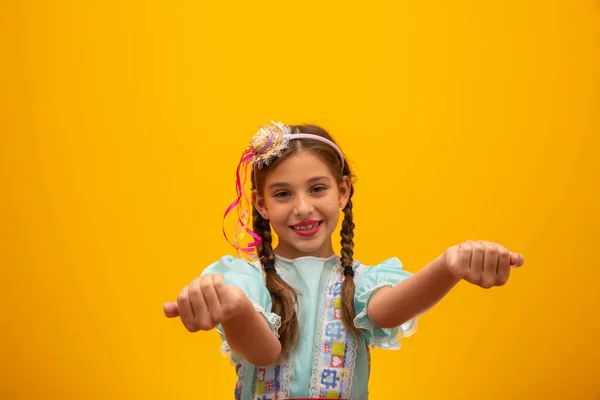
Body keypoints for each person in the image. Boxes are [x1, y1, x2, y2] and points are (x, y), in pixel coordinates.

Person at [162, 121, 525, 400]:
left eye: (317, 188)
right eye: (283, 194)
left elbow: (387, 312)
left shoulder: (361, 282)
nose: (303, 208)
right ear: (261, 204)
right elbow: (263, 352)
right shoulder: (245, 280)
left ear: (343, 191)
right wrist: (235, 307)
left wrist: (449, 266)